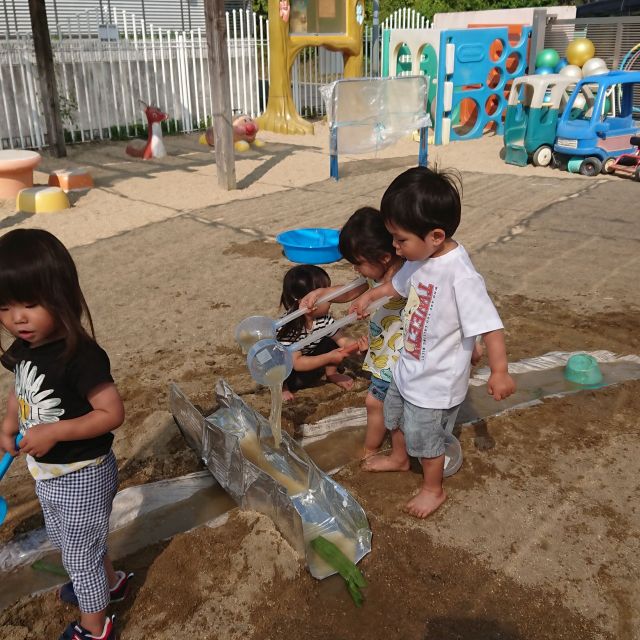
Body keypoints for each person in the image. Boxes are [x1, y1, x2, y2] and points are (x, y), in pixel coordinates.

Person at [349, 167, 516, 519]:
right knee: (394, 418)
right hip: (407, 367)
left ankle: (432, 488)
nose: (394, 247)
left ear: (436, 236)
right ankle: (397, 457)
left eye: (400, 239)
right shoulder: (419, 259)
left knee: (425, 440)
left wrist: (499, 371)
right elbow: (397, 285)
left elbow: (491, 326)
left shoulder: (461, 275)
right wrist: (371, 296)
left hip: (437, 383)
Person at [0, 229, 129, 640]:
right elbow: (20, 387)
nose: (17, 319)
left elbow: (112, 413)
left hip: (83, 473)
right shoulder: (24, 347)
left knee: (79, 552)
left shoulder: (81, 356)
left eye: (30, 305)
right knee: (73, 541)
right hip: (50, 474)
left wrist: (57, 430)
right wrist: (9, 424)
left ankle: (95, 627)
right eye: (4, 307)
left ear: (62, 297)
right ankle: (109, 583)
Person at [299, 207, 406, 461]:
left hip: (399, 358)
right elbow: (351, 290)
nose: (356, 270)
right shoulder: (376, 274)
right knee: (384, 404)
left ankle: (371, 451)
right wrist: (322, 294)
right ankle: (386, 448)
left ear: (382, 257)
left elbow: (391, 292)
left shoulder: (405, 276)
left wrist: (372, 294)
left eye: (358, 263)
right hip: (384, 355)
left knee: (376, 403)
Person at [277, 264, 358, 402]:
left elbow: (342, 340)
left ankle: (331, 374)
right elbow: (297, 363)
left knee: (330, 338)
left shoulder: (323, 320)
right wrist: (329, 358)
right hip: (292, 375)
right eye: (325, 295)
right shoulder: (289, 327)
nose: (331, 298)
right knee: (277, 360)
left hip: (309, 361)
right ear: (307, 300)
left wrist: (358, 345)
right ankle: (282, 387)